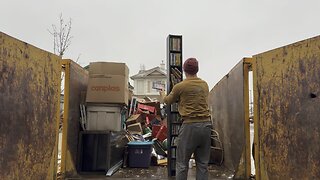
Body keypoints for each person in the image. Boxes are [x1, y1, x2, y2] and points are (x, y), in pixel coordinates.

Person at [159, 58, 212, 180]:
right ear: (197, 69)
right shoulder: (204, 84)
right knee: (203, 164)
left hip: (190, 126)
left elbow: (167, 101)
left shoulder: (180, 86)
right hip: (206, 125)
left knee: (182, 163)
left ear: (184, 70)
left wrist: (162, 94)